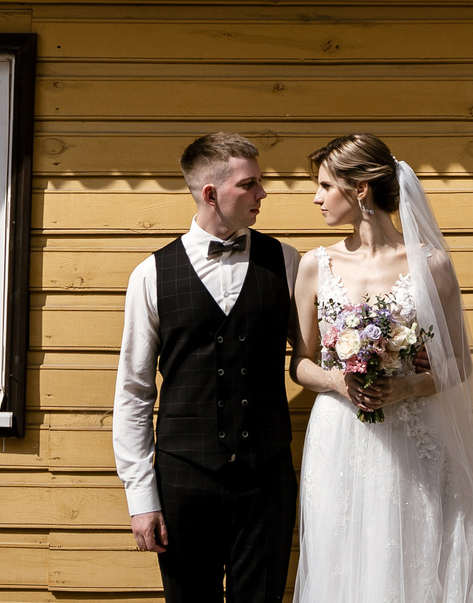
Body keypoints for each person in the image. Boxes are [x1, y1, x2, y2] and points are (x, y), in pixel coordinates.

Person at [290, 133, 473, 603]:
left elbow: (458, 363)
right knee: (343, 553)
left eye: (325, 185)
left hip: (413, 433)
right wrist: (338, 379)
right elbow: (300, 363)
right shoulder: (314, 265)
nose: (316, 197)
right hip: (340, 434)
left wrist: (409, 387)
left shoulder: (431, 264)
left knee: (417, 551)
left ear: (360, 189)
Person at [115, 131, 302, 603]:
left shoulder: (286, 262)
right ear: (211, 193)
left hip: (267, 477)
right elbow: (134, 391)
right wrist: (141, 498)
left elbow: (316, 353)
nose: (262, 193)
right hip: (183, 479)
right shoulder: (150, 275)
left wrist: (387, 355)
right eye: (249, 184)